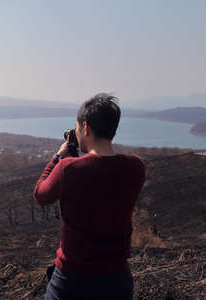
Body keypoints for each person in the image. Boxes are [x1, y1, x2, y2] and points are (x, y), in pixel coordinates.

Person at [34, 93, 145, 300]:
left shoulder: (69, 169)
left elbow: (41, 194)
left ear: (85, 128)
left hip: (72, 278)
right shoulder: (136, 167)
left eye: (78, 129)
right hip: (117, 278)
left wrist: (58, 157)